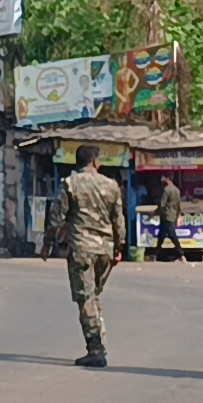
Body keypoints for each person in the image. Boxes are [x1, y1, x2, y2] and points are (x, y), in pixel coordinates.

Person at [40, 145, 126, 368]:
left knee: (86, 297)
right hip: (105, 250)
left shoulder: (69, 184)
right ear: (96, 162)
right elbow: (119, 220)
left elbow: (57, 216)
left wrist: (47, 244)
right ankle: (100, 338)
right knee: (95, 293)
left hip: (81, 248)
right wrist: (119, 247)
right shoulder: (111, 185)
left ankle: (95, 349)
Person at [153, 174, 183, 261]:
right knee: (161, 236)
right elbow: (178, 205)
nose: (163, 179)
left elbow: (162, 204)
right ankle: (154, 255)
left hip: (166, 216)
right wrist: (178, 215)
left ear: (168, 179)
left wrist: (156, 212)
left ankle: (181, 254)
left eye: (165, 178)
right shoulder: (177, 190)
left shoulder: (166, 190)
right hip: (173, 216)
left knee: (172, 235)